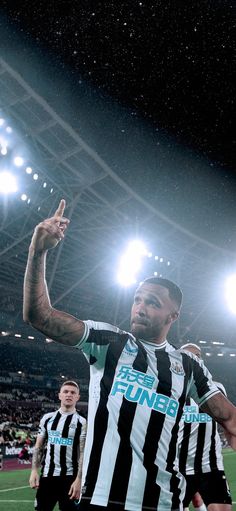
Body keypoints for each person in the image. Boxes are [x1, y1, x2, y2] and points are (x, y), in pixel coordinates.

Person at [23, 199, 236, 511]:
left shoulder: (188, 367)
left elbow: (229, 417)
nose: (140, 307)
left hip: (162, 503)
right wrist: (38, 250)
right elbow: (40, 316)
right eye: (137, 299)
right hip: (98, 500)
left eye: (151, 302)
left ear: (172, 316)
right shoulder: (109, 342)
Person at [178, 343, 232, 511]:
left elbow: (227, 421)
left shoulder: (217, 388)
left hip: (211, 465)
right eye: (190, 356)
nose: (195, 359)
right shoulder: (171, 389)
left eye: (198, 356)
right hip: (178, 467)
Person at [29, 380, 87, 511]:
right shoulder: (47, 418)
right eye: (65, 391)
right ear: (59, 395)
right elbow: (38, 446)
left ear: (77, 397)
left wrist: (79, 479)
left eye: (73, 392)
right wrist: (34, 470)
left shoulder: (82, 422)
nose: (69, 394)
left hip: (70, 479)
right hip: (47, 477)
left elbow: (83, 452)